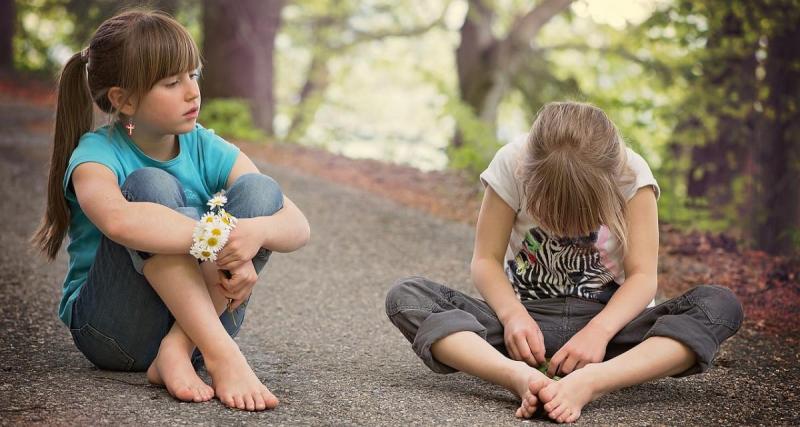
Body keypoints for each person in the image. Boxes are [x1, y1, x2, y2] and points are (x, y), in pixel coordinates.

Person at [385, 101, 743, 423]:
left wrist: (599, 333)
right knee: (407, 297)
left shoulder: (632, 175)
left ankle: (592, 382)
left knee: (719, 306)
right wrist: (512, 316)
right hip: (524, 329)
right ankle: (515, 376)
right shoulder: (511, 163)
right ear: (529, 176)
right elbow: (486, 260)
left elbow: (643, 277)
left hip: (614, 331)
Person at [32, 10, 310, 412]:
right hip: (114, 332)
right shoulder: (97, 155)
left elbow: (297, 225)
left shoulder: (204, 145)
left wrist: (255, 235)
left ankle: (177, 350)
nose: (192, 92)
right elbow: (119, 221)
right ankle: (223, 356)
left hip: (198, 329)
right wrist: (220, 242)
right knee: (150, 187)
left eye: (193, 75)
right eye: (171, 82)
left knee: (260, 190)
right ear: (122, 99)